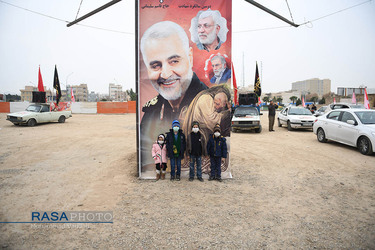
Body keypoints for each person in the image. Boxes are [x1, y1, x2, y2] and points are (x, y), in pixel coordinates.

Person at [140, 21, 208, 168]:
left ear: (190, 58)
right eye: (155, 65)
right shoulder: (150, 113)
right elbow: (146, 157)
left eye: (174, 61)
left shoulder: (209, 105)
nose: (165, 74)